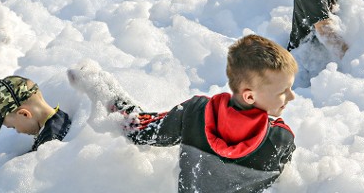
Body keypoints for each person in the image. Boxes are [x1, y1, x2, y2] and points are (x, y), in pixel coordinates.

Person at [67, 34, 297, 193]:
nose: (291, 96)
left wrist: (102, 89)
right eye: (283, 91)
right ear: (249, 96)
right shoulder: (280, 138)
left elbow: (139, 129)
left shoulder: (197, 113)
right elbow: (282, 181)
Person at [0, 75, 71, 152]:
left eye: (13, 127)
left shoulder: (50, 144)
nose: (17, 131)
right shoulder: (61, 118)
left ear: (24, 114)